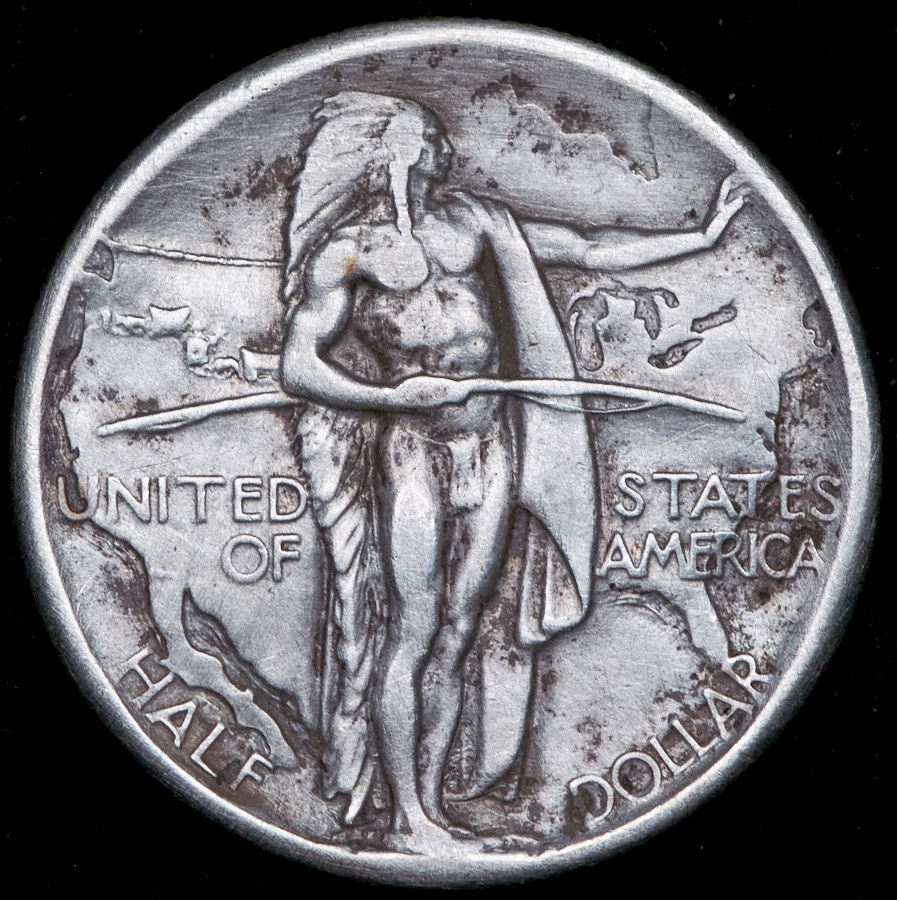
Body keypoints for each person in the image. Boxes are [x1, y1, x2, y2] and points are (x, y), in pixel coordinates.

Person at [280, 91, 746, 848]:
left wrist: (701, 235)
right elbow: (297, 366)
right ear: (394, 151)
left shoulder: (475, 223)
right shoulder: (350, 251)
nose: (442, 151)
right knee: (413, 628)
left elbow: (585, 249)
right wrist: (389, 396)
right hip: (413, 451)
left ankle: (433, 814)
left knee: (459, 629)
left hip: (490, 445)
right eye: (428, 139)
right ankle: (405, 821)